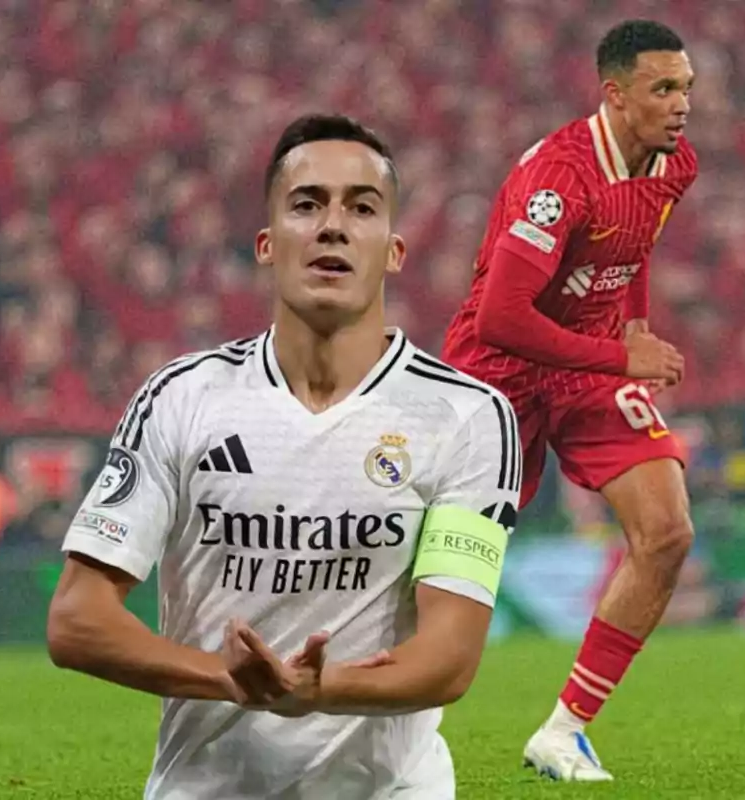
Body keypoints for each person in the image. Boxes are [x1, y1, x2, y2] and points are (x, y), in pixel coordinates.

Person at [47, 114, 522, 800]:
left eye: (362, 208)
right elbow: (76, 619)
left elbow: (449, 656)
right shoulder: (183, 399)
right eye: (307, 204)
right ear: (268, 245)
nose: (333, 225)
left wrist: (320, 690)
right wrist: (225, 678)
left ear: (394, 250)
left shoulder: (468, 417)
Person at [441, 19, 698, 781]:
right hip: (501, 369)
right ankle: (358, 713)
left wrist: (638, 328)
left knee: (667, 531)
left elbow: (637, 239)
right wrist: (624, 352)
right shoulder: (559, 177)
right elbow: (502, 318)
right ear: (615, 96)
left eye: (686, 87)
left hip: (588, 364)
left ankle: (563, 730)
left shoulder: (674, 162)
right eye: (663, 89)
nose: (681, 104)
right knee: (454, 566)